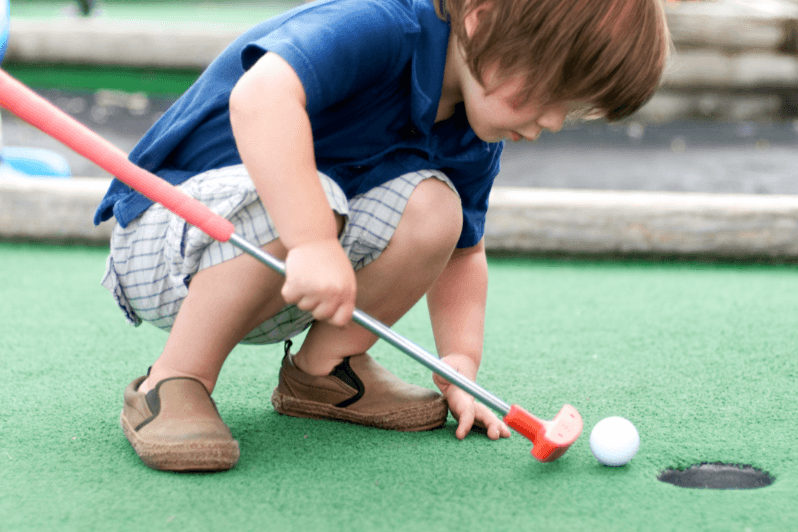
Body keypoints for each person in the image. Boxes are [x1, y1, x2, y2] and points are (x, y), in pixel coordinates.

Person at [94, 0, 671, 471]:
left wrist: (459, 365)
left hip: (287, 269)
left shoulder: (472, 138)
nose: (549, 122)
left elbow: (462, 256)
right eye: (551, 92)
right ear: (483, 19)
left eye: (569, 110)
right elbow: (260, 98)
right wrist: (314, 242)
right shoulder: (379, 25)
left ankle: (326, 373)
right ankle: (174, 380)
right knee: (315, 199)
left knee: (436, 209)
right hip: (165, 238)